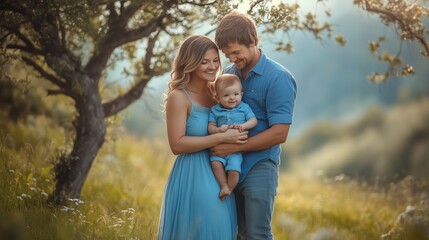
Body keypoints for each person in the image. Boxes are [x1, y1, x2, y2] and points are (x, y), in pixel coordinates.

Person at [213, 11, 297, 239]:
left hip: (260, 166)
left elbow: (280, 133)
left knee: (258, 234)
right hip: (229, 166)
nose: (231, 59)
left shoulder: (278, 78)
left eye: (236, 52)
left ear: (252, 41)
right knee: (236, 234)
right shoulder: (228, 76)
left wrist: (234, 147)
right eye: (227, 54)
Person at [158, 35, 248, 240]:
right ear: (189, 63)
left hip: (222, 174)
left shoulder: (218, 93)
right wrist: (222, 137)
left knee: (222, 230)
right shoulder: (179, 96)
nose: (212, 66)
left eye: (215, 60)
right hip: (193, 176)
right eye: (204, 62)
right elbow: (177, 144)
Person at [208, 74, 257, 200]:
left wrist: (244, 126)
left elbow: (253, 120)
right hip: (219, 150)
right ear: (217, 97)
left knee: (234, 170)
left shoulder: (244, 107)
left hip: (235, 152)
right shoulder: (215, 110)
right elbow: (210, 127)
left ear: (241, 94)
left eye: (235, 94)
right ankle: (223, 185)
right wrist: (218, 129)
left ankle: (229, 189)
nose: (232, 98)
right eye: (226, 95)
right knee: (215, 164)